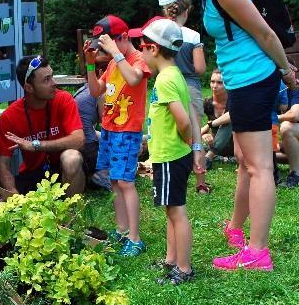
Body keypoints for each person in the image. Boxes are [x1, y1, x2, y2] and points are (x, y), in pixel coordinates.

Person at [149, 0, 299, 272]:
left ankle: (258, 252)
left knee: (259, 166)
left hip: (253, 80)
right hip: (244, 80)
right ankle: (239, 232)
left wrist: (286, 72)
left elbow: (263, 34)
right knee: (247, 162)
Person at [140, 19, 203, 285]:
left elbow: (184, 120)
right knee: (171, 210)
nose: (140, 52)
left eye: (141, 46)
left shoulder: (165, 80)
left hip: (171, 156)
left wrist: (186, 142)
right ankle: (171, 259)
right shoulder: (175, 74)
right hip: (173, 156)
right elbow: (189, 113)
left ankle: (184, 269)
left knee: (177, 212)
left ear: (153, 49)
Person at [83, 15, 152, 257]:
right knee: (114, 180)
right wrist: (91, 64)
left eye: (106, 44)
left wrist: (116, 53)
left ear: (122, 38)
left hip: (128, 131)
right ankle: (122, 230)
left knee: (126, 182)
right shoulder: (113, 63)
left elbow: (134, 78)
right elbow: (95, 91)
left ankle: (135, 238)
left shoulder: (138, 59)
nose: (103, 49)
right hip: (111, 130)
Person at [0, 55, 85, 196]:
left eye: (52, 76)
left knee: (71, 158)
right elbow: (3, 164)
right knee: (0, 196)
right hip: (33, 175)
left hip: (62, 171)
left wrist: (36, 145)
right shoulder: (9, 117)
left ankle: (72, 212)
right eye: (46, 80)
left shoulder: (64, 99)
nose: (54, 83)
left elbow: (79, 140)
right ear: (29, 88)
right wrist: (13, 194)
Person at [164, 0, 210, 193]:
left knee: (169, 132)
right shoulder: (192, 36)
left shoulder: (160, 33)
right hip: (189, 85)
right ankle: (200, 182)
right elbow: (200, 68)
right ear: (186, 12)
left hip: (167, 84)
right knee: (195, 132)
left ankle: (171, 178)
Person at [73, 55, 110, 189]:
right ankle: (97, 176)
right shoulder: (101, 92)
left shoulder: (84, 88)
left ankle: (91, 174)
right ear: (101, 73)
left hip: (76, 138)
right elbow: (104, 120)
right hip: (88, 143)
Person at [201, 69, 234, 169]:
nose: (214, 86)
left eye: (220, 83)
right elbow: (195, 126)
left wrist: (210, 124)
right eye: (212, 81)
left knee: (229, 121)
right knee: (191, 147)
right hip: (215, 144)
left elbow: (231, 115)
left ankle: (209, 157)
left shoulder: (234, 101)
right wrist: (204, 135)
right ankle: (222, 158)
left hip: (235, 145)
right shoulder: (207, 102)